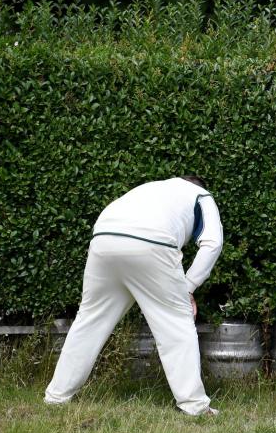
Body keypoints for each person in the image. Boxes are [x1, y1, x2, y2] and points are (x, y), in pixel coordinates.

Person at [44, 175, 224, 416]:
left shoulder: (151, 188)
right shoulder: (201, 195)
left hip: (104, 237)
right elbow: (213, 243)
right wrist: (188, 287)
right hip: (151, 240)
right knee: (177, 324)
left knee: (89, 320)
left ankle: (56, 397)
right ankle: (195, 406)